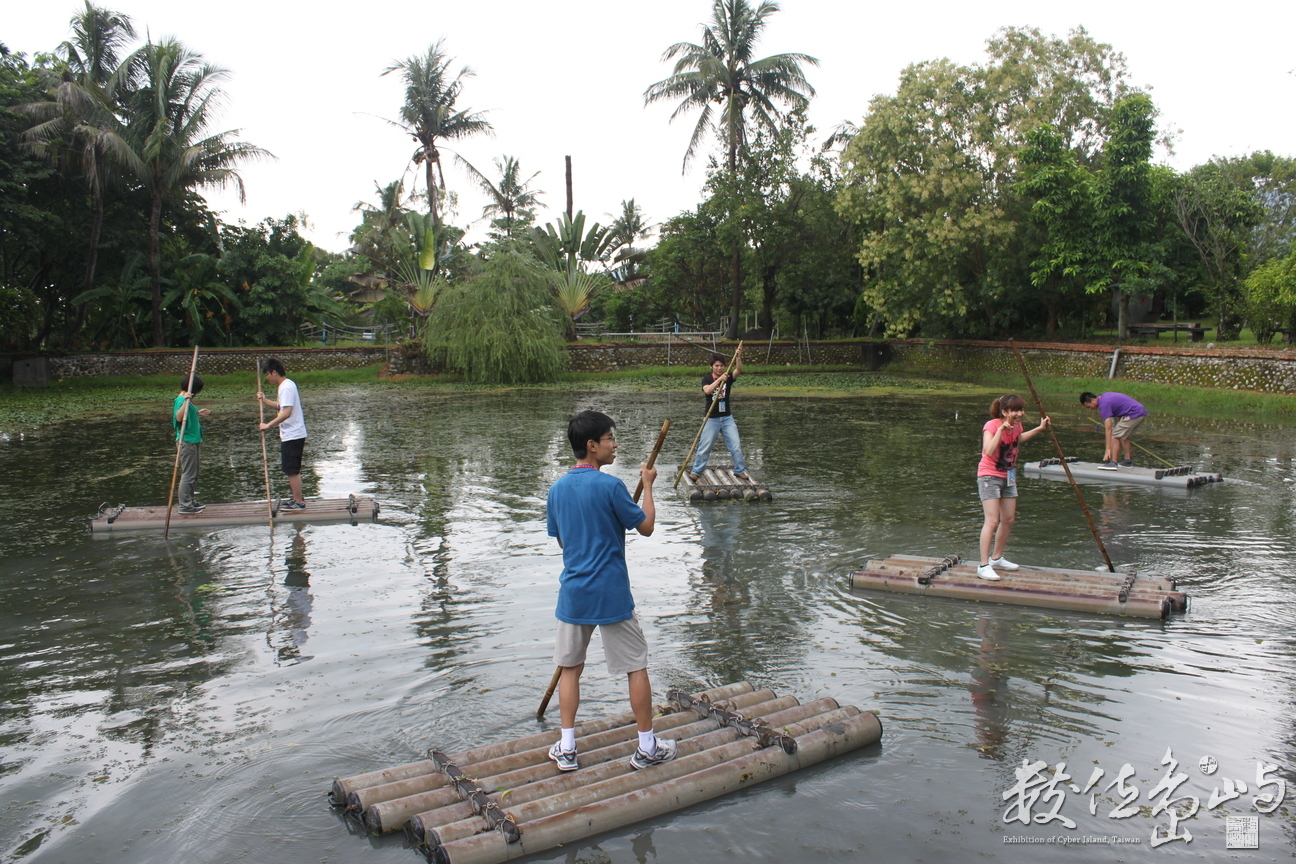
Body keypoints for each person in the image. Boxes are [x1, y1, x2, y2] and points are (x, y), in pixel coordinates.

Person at [545, 410, 677, 772]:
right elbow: (646, 526)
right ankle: (647, 747)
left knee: (569, 668)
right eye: (610, 439)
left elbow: (562, 541)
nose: (614, 445)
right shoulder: (611, 486)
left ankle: (567, 748)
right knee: (636, 666)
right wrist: (648, 485)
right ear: (592, 445)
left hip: (574, 592)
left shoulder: (556, 490)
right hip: (611, 593)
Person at [976, 394, 1050, 581]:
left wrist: (1040, 428)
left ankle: (996, 558)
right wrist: (1001, 429)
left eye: (1021, 410)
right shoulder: (991, 426)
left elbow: (1018, 439)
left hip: (1008, 475)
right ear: (1004, 412)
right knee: (992, 520)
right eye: (1015, 410)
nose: (1020, 414)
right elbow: (989, 450)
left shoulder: (1017, 426)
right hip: (989, 476)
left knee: (1008, 519)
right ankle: (983, 565)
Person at [689, 347, 747, 481]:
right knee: (705, 447)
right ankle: (696, 471)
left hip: (727, 418)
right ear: (711, 367)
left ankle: (739, 470)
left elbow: (739, 370)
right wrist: (720, 379)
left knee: (736, 446)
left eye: (721, 365)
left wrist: (738, 357)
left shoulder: (728, 377)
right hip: (712, 418)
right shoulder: (707, 379)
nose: (719, 368)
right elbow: (708, 391)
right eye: (716, 366)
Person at [257, 358, 308, 510]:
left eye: (267, 374)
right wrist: (265, 400)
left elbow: (286, 413)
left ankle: (298, 502)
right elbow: (281, 407)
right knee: (290, 469)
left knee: (292, 470)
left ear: (274, 372)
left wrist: (268, 425)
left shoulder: (285, 387)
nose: (267, 378)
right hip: (291, 434)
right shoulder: (286, 385)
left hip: (293, 434)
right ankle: (296, 498)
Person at [173, 374, 212, 514]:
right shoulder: (181, 399)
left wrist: (198, 412)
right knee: (188, 474)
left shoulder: (186, 400)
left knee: (194, 473)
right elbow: (179, 417)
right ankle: (185, 505)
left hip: (193, 440)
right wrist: (186, 401)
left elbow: (187, 415)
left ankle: (190, 500)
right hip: (187, 441)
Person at [1080, 391, 1147, 470]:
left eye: (1089, 406)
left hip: (1134, 413)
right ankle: (1127, 461)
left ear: (1093, 400)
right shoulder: (1103, 398)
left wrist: (1108, 449)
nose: (1090, 409)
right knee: (1123, 436)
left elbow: (1109, 428)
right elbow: (1120, 410)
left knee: (1115, 436)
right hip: (1139, 412)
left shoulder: (1103, 404)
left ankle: (1113, 462)